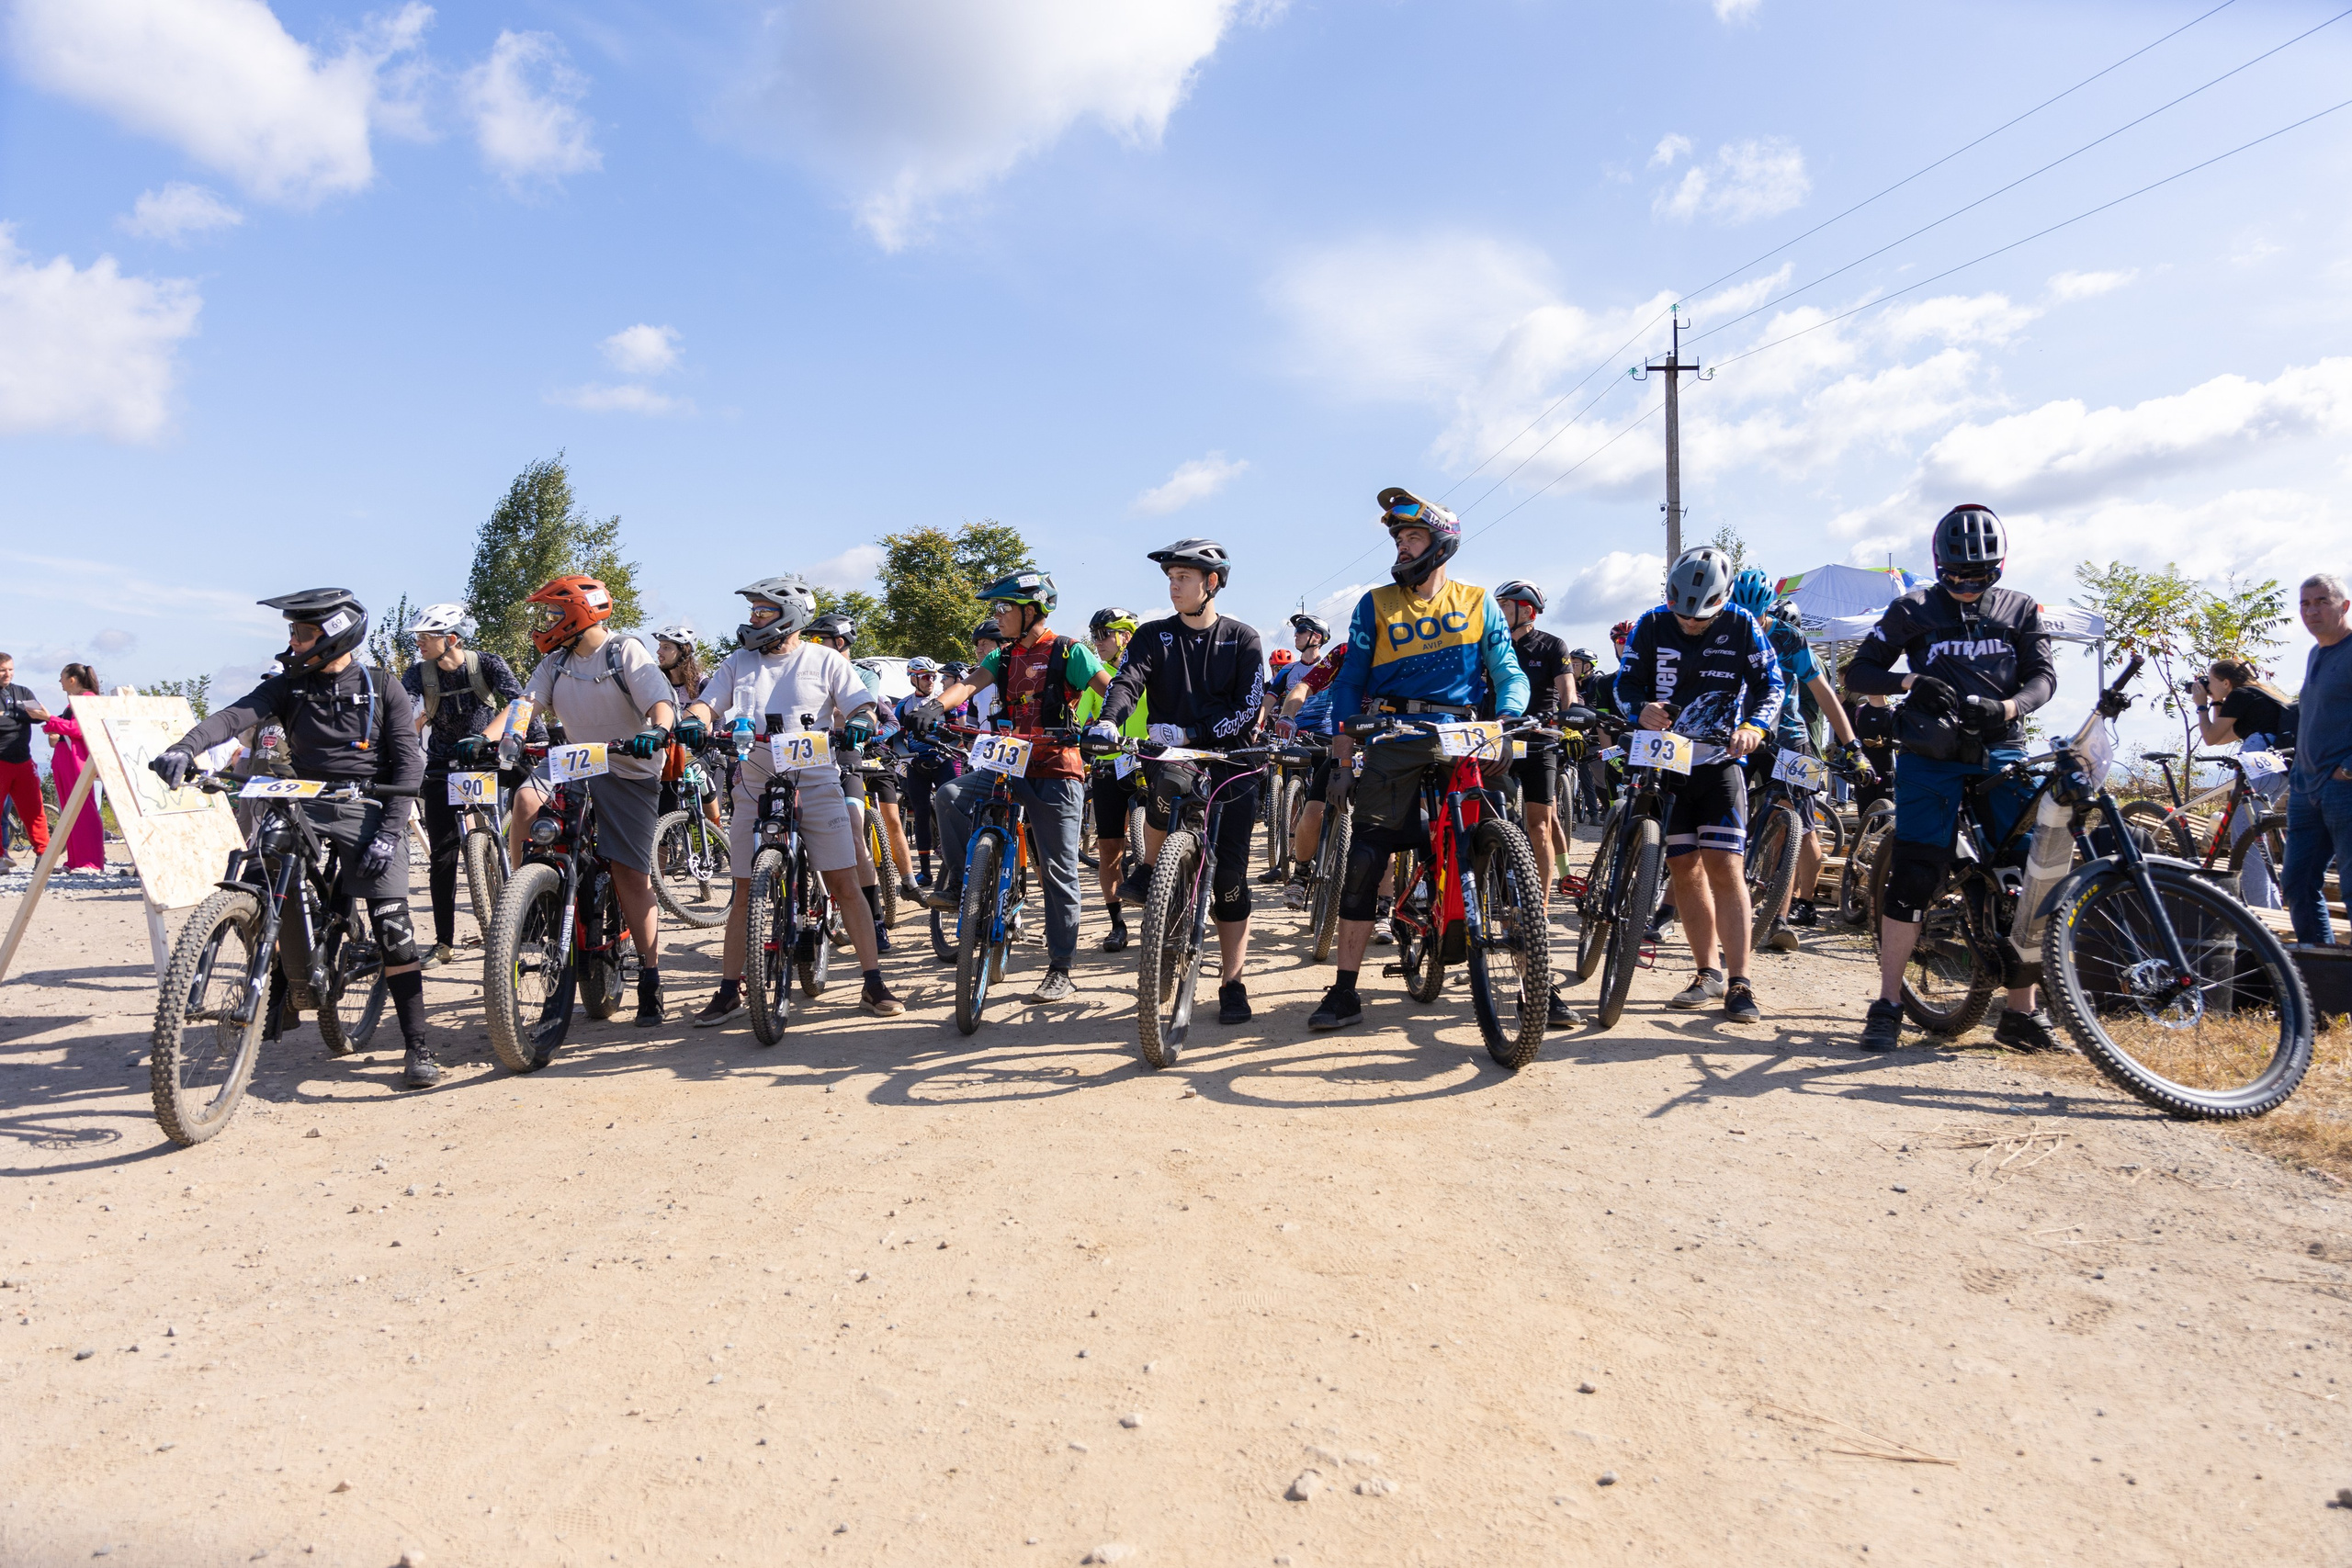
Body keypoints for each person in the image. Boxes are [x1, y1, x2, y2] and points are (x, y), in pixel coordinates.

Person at [150, 591, 442, 1086]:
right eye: (292, 632)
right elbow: (233, 716)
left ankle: (417, 1045)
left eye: (301, 633)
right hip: (302, 799)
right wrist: (184, 746)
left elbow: (410, 760)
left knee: (393, 926)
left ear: (333, 636)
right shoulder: (290, 686)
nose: (292, 642)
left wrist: (391, 832)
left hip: (367, 803)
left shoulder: (381, 685)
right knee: (263, 868)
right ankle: (281, 979)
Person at [1308, 490, 1543, 1032]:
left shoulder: (1478, 601)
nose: (1402, 547)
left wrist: (1505, 720)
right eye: (1397, 538)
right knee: (1367, 856)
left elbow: (1508, 672)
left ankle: (1536, 983)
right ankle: (1345, 989)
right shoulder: (1375, 603)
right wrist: (1344, 757)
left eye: (1412, 537)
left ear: (1440, 544)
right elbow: (1350, 681)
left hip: (1464, 731)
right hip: (1392, 732)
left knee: (1505, 845)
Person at [1845, 504, 2058, 1052]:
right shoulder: (1912, 608)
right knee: (1916, 872)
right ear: (1939, 567)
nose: (1967, 586)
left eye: (1980, 575)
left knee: (2022, 879)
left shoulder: (2020, 608)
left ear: (2000, 567)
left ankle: (2020, 1013)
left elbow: (2043, 677)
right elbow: (1860, 672)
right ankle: (1889, 1002)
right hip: (1930, 755)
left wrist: (2009, 709)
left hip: (2000, 749)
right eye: (1957, 576)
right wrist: (1910, 680)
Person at [685, 577, 902, 1023]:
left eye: (762, 611)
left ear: (789, 615)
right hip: (754, 783)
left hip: (817, 782)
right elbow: (707, 704)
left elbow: (859, 704)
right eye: (752, 612)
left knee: (844, 883)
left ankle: (874, 981)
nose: (752, 619)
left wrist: (860, 719)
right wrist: (694, 719)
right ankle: (729, 989)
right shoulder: (738, 662)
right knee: (744, 889)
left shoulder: (823, 659)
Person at [469, 576, 679, 1027]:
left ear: (578, 612)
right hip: (575, 762)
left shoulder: (625, 652)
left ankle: (649, 975)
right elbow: (525, 706)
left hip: (627, 765)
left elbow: (661, 703)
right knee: (525, 799)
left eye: (551, 613)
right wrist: (485, 738)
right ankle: (528, 901)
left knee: (628, 871)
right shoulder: (555, 662)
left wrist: (656, 731)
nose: (545, 623)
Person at [1092, 540, 1268, 1022]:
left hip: (1233, 760)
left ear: (1211, 583)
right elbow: (1128, 681)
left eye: (1183, 578)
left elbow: (1248, 709)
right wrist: (1109, 720)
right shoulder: (1152, 635)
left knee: (1230, 879)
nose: (1173, 585)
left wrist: (1194, 731)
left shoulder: (1243, 639)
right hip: (1173, 758)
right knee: (1166, 783)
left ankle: (1233, 982)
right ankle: (1152, 868)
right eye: (1170, 577)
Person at [917, 570, 1109, 1004]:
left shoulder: (1069, 650)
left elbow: (1111, 688)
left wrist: (1108, 723)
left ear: (1031, 610)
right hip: (1007, 763)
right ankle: (967, 886)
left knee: (1059, 872)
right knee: (948, 796)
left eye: (1004, 608)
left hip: (1056, 767)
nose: (997, 616)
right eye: (996, 609)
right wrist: (933, 706)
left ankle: (1060, 967)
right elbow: (967, 685)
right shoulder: (1001, 657)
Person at [1615, 547, 1785, 1023]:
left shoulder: (1742, 624)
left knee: (1726, 866)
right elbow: (1625, 686)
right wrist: (1639, 710)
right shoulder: (1652, 623)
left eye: (1701, 615)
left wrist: (1756, 725)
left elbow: (1773, 684)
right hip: (1664, 763)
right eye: (1682, 613)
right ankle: (1706, 971)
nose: (1690, 622)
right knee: (1683, 867)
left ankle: (1740, 982)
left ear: (1723, 600)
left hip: (1719, 761)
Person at [1730, 581, 1871, 950]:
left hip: (1792, 735)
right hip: (1737, 731)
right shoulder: (1722, 627)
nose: (1754, 624)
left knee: (1793, 824)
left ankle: (1780, 914)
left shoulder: (1790, 639)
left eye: (1759, 616)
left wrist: (1853, 746)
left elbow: (1825, 694)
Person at [399, 604, 531, 964]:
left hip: (488, 754)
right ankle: (444, 943)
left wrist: (486, 737)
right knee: (441, 856)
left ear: (451, 639)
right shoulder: (417, 674)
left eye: (426, 637)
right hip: (445, 762)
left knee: (535, 801)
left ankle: (534, 891)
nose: (420, 644)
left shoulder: (487, 663)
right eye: (418, 637)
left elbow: (520, 703)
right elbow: (402, 710)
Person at [807, 612, 898, 942]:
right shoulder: (804, 671)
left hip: (844, 752)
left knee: (853, 831)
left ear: (839, 642)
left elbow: (859, 709)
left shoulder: (862, 673)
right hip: (805, 753)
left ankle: (874, 920)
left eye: (817, 639)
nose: (810, 646)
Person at [2278, 573, 2352, 947]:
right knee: (2297, 884)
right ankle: (2325, 975)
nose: (2311, 610)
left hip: (2344, 790)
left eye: (2322, 601)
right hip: (2307, 791)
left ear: (2345, 605)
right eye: (2305, 603)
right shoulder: (2315, 653)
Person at [1492, 580, 1577, 893]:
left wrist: (1570, 725)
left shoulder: (1553, 645)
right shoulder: (1489, 644)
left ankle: (1538, 908)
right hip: (1496, 739)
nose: (1498, 611)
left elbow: (1567, 690)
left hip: (1539, 740)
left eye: (1504, 605)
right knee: (1488, 820)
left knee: (1539, 823)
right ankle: (1496, 892)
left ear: (1526, 610)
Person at [2194, 658, 2296, 908]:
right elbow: (2220, 737)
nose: (2208, 686)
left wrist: (2201, 706)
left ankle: (2261, 914)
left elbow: (2208, 738)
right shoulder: (2257, 695)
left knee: (2246, 840)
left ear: (2226, 682)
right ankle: (2270, 906)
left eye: (2212, 681)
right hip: (2280, 764)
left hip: (2260, 759)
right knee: (2255, 834)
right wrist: (2217, 701)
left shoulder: (2240, 695)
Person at [1074, 607, 1148, 951]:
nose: (1097, 642)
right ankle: (1117, 924)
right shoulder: (1098, 674)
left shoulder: (1150, 670)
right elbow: (1078, 717)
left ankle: (1167, 905)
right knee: (1109, 850)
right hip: (1109, 764)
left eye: (1104, 634)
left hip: (1150, 761)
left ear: (1125, 637)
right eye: (1094, 636)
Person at [892, 657, 955, 891]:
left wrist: (943, 752)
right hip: (917, 765)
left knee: (951, 810)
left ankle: (955, 867)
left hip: (943, 762)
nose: (931, 680)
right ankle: (926, 872)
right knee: (920, 815)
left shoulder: (943, 702)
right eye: (926, 676)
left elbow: (957, 732)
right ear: (913, 678)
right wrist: (909, 758)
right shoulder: (903, 705)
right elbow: (897, 739)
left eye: (934, 676)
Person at [41, 664, 107, 871]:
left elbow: (79, 730)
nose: (59, 682)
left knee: (83, 810)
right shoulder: (74, 703)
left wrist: (49, 720)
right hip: (65, 761)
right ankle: (75, 859)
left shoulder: (88, 699)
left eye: (61, 677)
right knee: (70, 812)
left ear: (72, 679)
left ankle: (91, 860)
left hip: (77, 761)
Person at [0, 652, 53, 868]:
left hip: (23, 760)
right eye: (3, 670)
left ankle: (44, 854)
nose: (7, 674)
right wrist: (20, 717)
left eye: (11, 669)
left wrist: (8, 717)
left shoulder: (22, 692)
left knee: (34, 810)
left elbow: (43, 715)